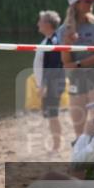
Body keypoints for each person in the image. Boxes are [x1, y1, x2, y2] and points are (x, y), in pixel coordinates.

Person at [56, 0, 94, 139]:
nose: (91, 3)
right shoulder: (64, 30)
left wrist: (79, 64)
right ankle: (81, 151)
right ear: (76, 5)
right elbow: (66, 63)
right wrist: (67, 43)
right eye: (87, 0)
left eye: (91, 0)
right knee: (78, 127)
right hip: (76, 78)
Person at [35, 10, 65, 154]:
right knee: (49, 114)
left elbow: (53, 66)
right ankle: (55, 143)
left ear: (47, 24)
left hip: (52, 83)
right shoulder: (47, 40)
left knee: (53, 115)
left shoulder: (54, 41)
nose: (38, 24)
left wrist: (45, 85)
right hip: (48, 83)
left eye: (40, 21)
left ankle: (57, 146)